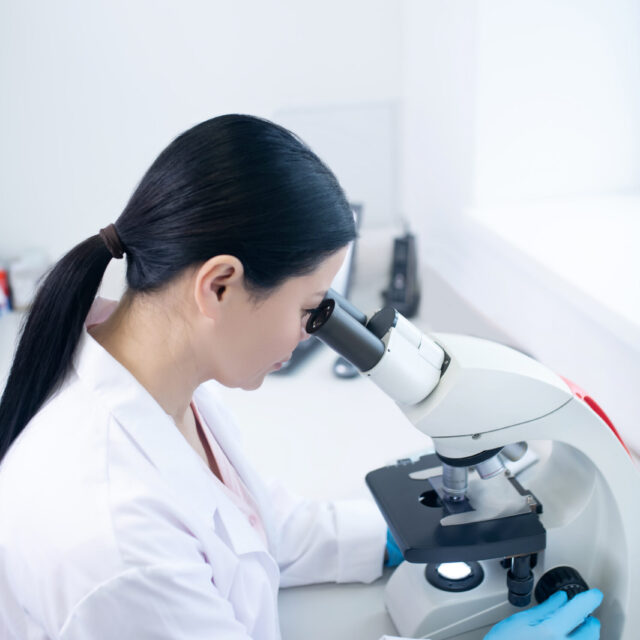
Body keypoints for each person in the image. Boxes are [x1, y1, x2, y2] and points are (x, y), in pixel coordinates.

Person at [0, 115, 602, 639]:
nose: (313, 332)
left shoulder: (156, 378)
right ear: (219, 286)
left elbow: (256, 528)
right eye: (311, 309)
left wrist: (403, 531)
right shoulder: (116, 548)